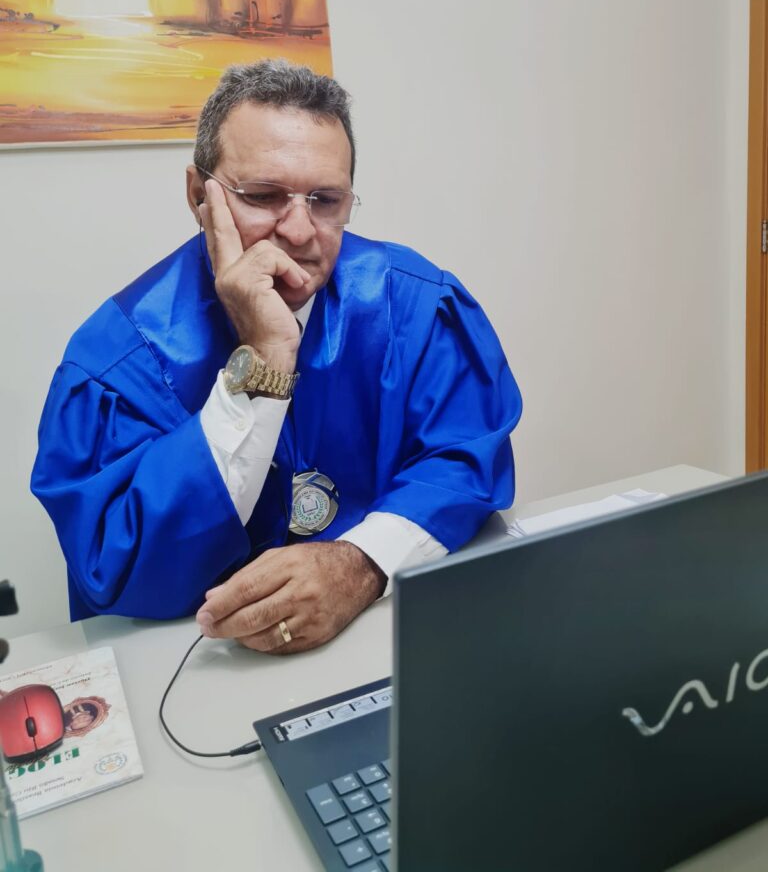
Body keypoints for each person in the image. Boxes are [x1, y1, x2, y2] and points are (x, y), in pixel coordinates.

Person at [31, 60, 522, 654]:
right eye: (264, 196)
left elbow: (466, 460)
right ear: (199, 195)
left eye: (326, 200)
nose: (299, 231)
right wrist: (262, 359)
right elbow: (119, 569)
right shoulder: (116, 361)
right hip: (198, 662)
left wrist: (361, 562)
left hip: (388, 634)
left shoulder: (413, 304)